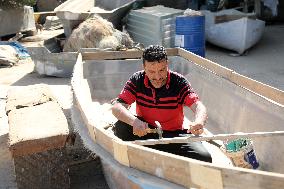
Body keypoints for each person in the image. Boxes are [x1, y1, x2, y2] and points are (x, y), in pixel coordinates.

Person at [111, 45, 212, 163]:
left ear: (167, 64)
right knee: (121, 127)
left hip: (173, 137)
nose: (158, 77)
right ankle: (158, 153)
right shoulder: (137, 79)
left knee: (204, 157)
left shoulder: (179, 81)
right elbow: (117, 107)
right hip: (146, 133)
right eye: (152, 72)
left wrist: (199, 121)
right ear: (144, 67)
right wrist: (135, 122)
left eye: (162, 70)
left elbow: (198, 106)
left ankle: (150, 153)